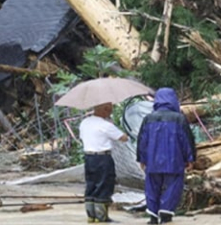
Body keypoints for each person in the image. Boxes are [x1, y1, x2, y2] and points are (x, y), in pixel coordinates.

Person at [137, 88, 196, 224]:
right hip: (174, 160)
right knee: (173, 185)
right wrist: (190, 158)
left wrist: (142, 158)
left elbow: (142, 141)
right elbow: (186, 140)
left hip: (152, 160)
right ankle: (165, 214)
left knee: (152, 187)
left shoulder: (148, 118)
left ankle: (152, 216)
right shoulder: (179, 118)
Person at [79, 102, 128, 223]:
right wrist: (112, 125)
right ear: (105, 110)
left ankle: (91, 215)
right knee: (104, 185)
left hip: (89, 157)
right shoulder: (106, 125)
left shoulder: (85, 122)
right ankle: (102, 217)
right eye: (110, 110)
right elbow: (123, 138)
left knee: (91, 184)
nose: (110, 112)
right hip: (103, 158)